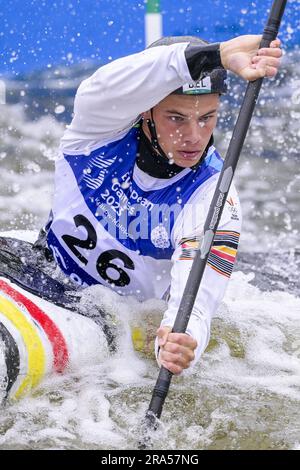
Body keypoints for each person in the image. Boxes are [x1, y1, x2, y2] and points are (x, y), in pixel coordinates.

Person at [37, 34, 282, 375]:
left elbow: (194, 305)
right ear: (145, 111)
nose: (194, 136)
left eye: (207, 117)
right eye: (177, 119)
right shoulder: (96, 130)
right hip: (38, 270)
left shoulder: (212, 197)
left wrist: (180, 342)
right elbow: (110, 83)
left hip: (110, 322)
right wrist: (218, 54)